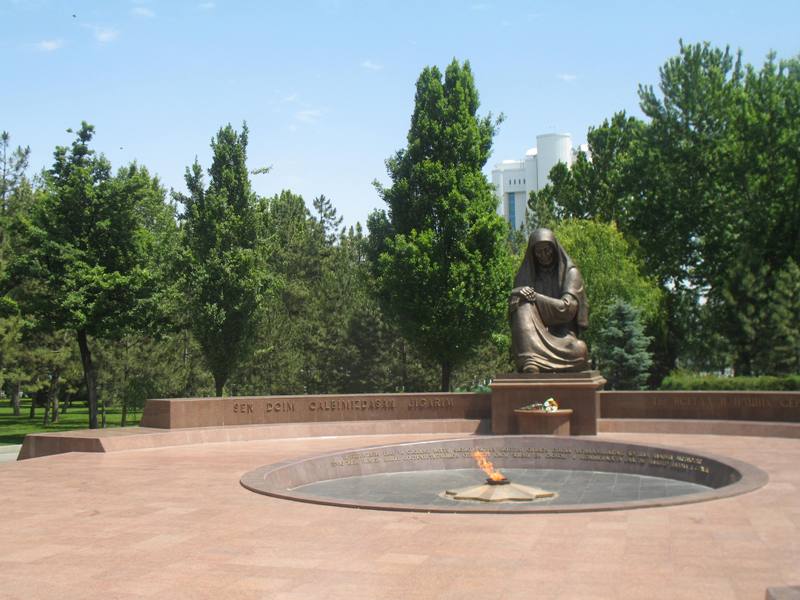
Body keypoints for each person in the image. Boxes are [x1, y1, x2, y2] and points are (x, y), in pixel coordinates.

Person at [509, 228, 589, 373]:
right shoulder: (528, 274)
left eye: (547, 250)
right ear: (532, 254)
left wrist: (535, 297)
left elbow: (567, 309)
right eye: (538, 252)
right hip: (534, 337)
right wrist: (517, 293)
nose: (543, 255)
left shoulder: (571, 273)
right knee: (520, 302)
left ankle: (536, 360)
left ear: (554, 249)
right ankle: (531, 360)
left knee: (580, 349)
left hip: (563, 338)